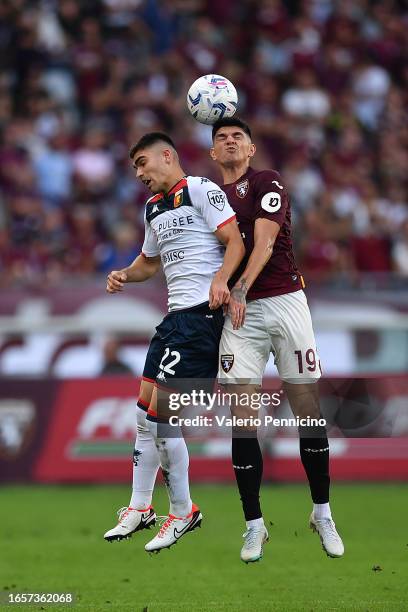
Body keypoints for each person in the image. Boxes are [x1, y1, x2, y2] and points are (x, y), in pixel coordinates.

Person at [209, 117, 344, 563]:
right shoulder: (206, 198)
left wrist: (240, 288)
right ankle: (254, 526)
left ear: (250, 149)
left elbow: (264, 243)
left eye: (237, 138)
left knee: (307, 408)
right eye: (221, 138)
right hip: (237, 315)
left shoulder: (267, 181)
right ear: (213, 153)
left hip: (284, 301)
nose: (229, 142)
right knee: (243, 419)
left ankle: (322, 512)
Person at [103, 131, 245, 552]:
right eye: (135, 168)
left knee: (163, 418)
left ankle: (182, 510)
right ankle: (140, 506)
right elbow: (149, 263)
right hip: (173, 321)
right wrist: (125, 274)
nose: (140, 173)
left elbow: (234, 240)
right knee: (145, 414)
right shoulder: (152, 209)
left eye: (143, 163)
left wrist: (221, 280)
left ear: (167, 156)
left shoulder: (200, 189)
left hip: (200, 319)